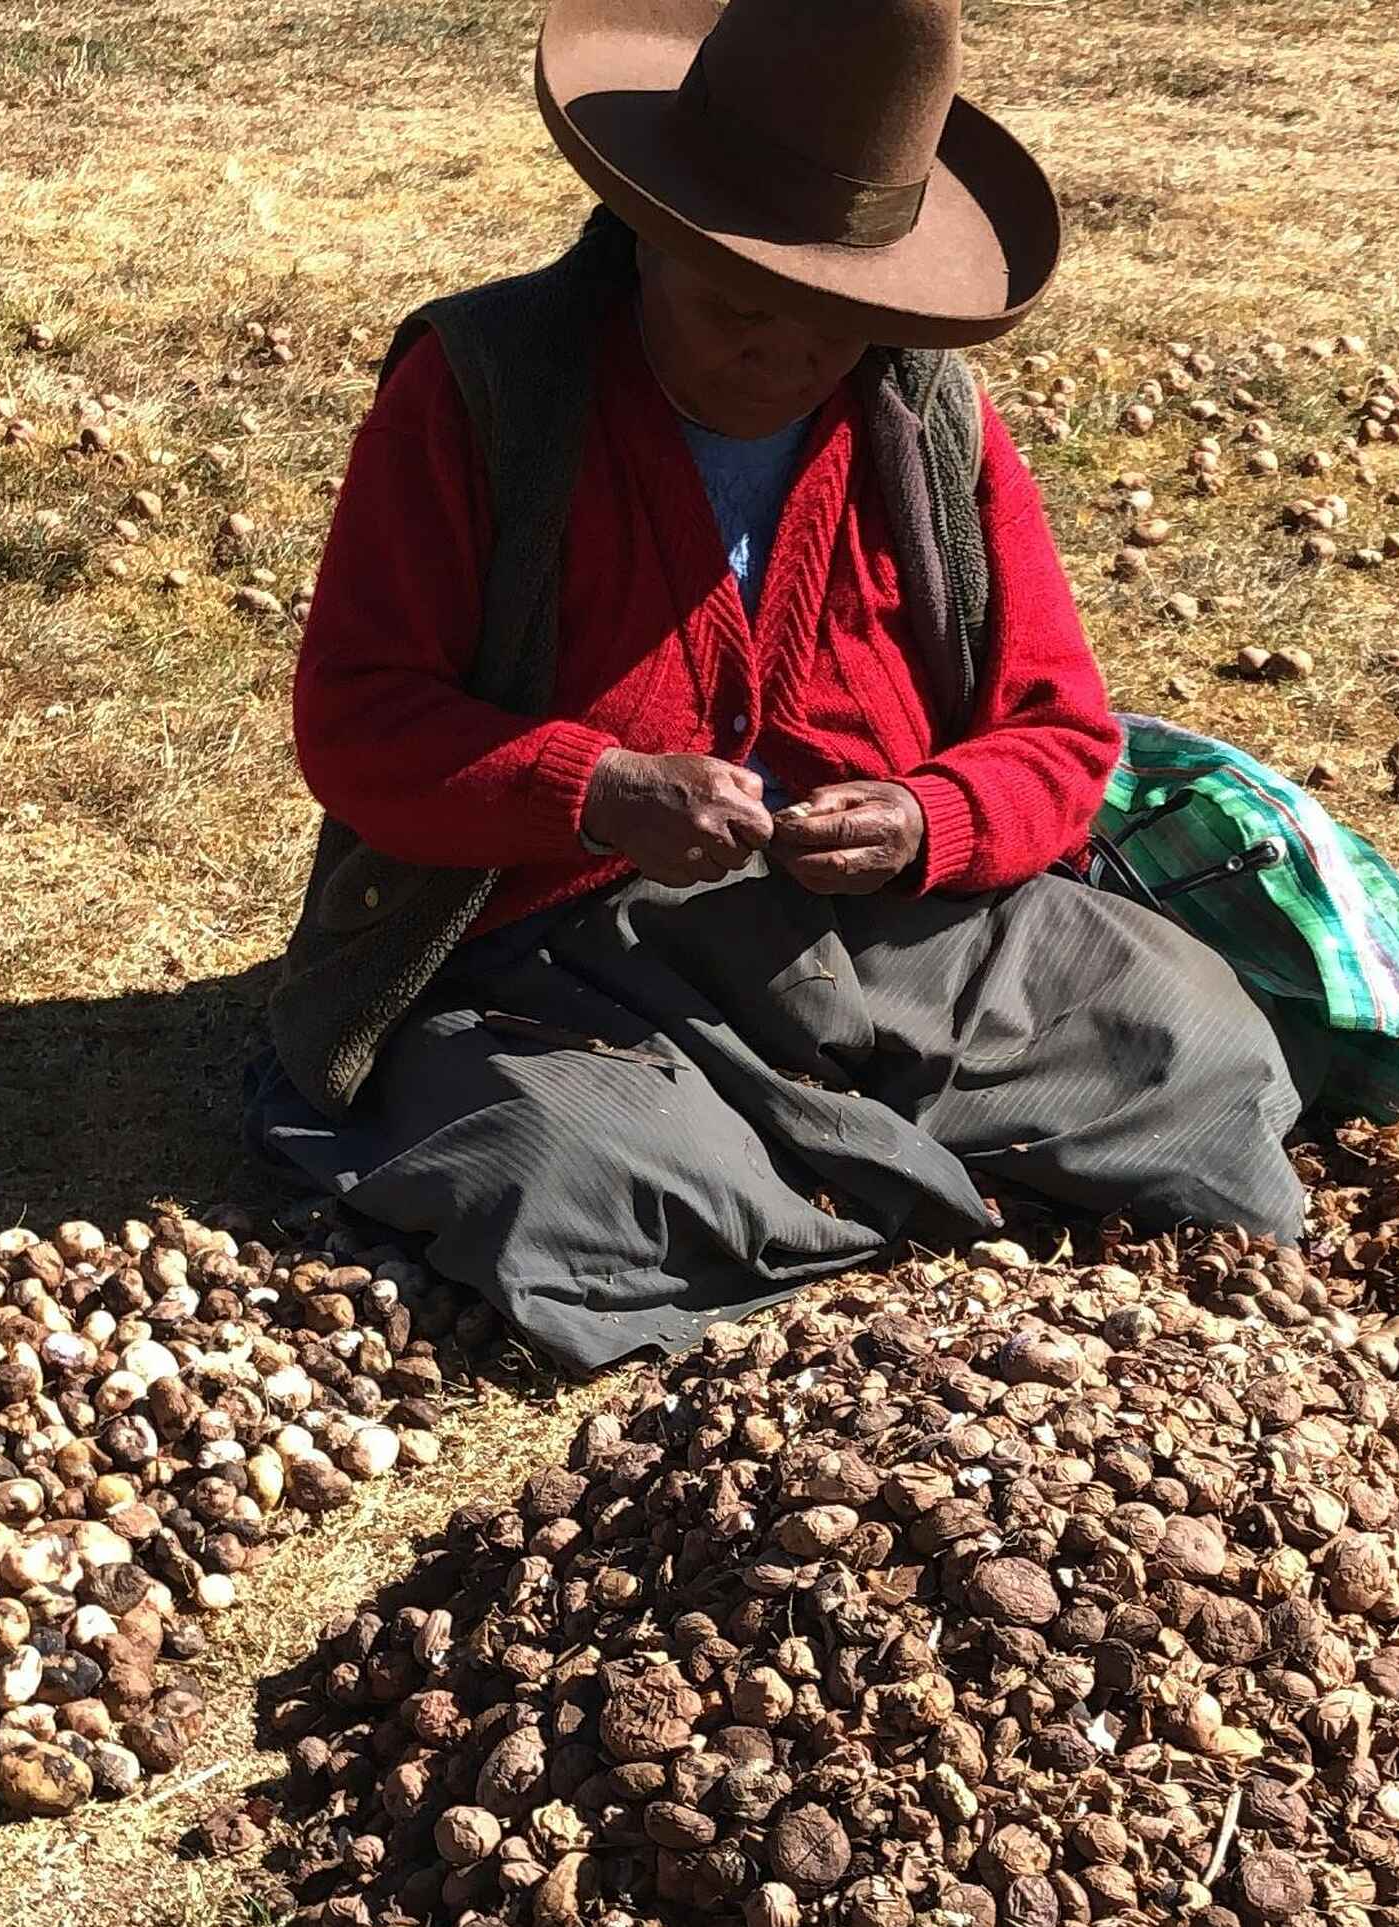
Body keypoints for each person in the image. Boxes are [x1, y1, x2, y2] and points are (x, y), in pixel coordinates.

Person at [251, 0, 1306, 1374]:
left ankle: (839, 1196)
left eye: (839, 323)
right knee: (573, 1173)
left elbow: (1061, 735)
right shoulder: (484, 391)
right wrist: (599, 789)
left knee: (1195, 1038)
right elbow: (361, 723)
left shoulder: (922, 414)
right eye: (742, 306)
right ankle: (888, 1212)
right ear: (650, 240)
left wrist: (928, 821)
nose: (790, 357)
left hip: (895, 939)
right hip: (566, 963)